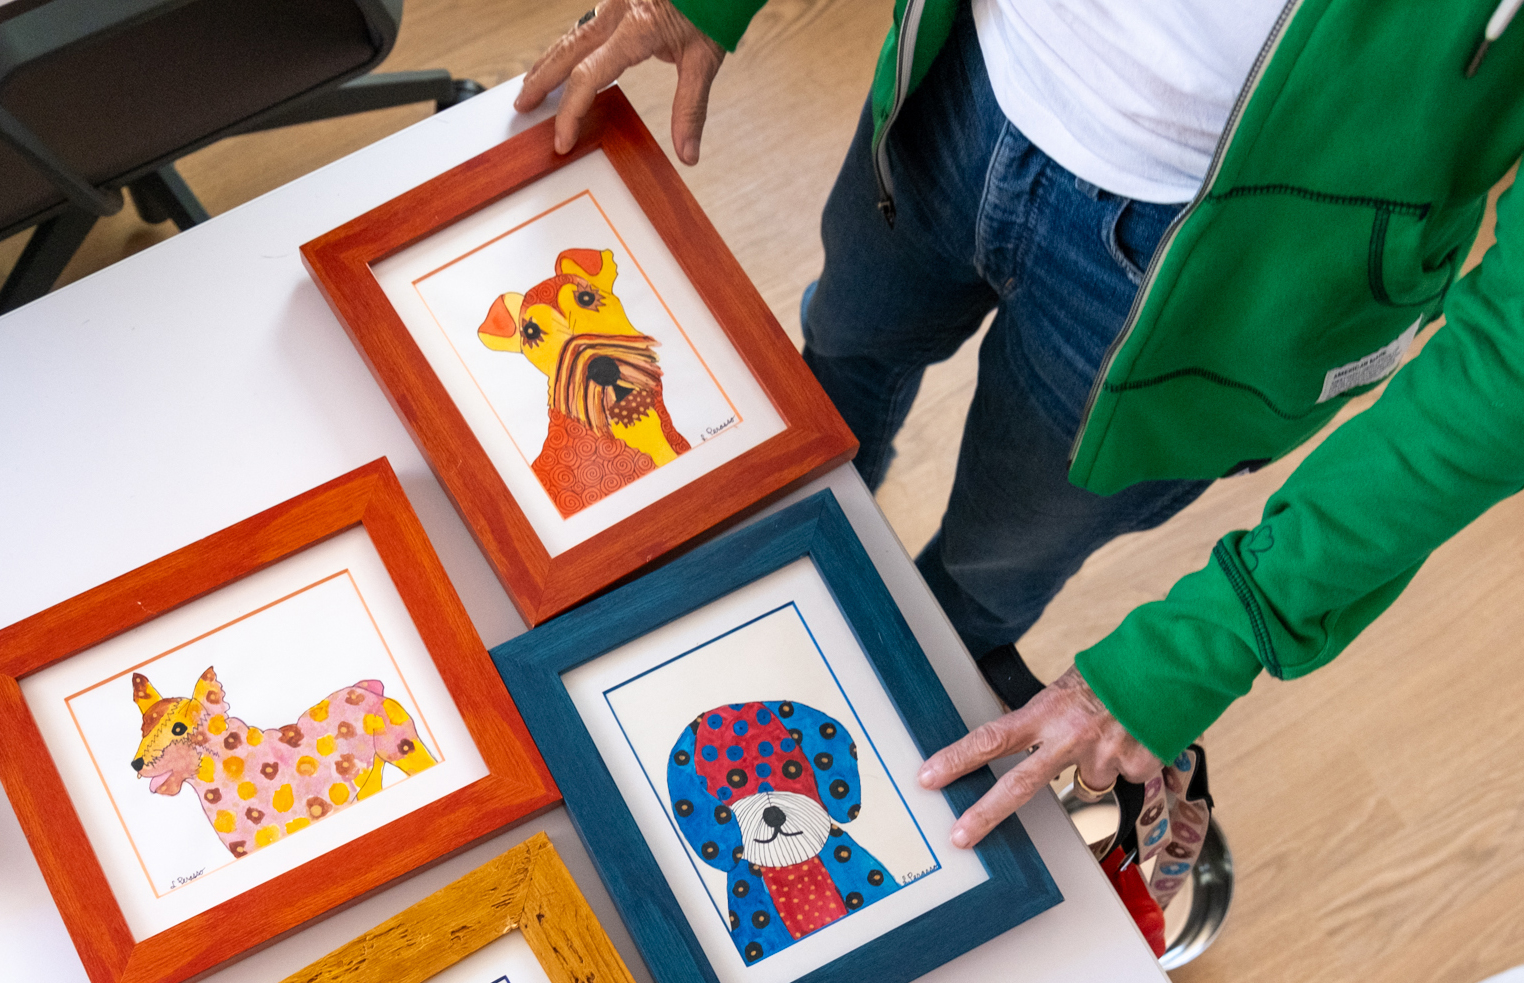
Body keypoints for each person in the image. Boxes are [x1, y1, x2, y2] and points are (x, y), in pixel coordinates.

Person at [517, 0, 1524, 847]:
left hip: (1240, 289)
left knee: (997, 559)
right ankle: (784, 584)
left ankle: (909, 661)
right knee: (837, 363)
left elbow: (1508, 359)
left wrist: (1216, 631)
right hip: (960, 80)